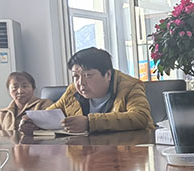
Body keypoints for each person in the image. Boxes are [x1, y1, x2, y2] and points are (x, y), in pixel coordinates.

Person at [21, 48, 153, 134]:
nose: (81, 83)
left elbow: (140, 117)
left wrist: (90, 123)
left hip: (127, 154)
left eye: (88, 75)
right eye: (76, 76)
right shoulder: (73, 91)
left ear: (108, 75)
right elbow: (51, 114)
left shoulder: (130, 86)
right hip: (86, 154)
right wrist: (33, 122)